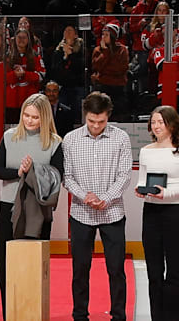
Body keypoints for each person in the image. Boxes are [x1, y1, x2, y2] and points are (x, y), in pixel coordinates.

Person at [0, 93, 65, 313]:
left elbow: (57, 176)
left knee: (33, 264)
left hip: (37, 211)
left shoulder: (54, 142)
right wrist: (20, 172)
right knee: (3, 260)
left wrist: (35, 172)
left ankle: (32, 311)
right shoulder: (9, 137)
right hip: (9, 207)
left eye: (35, 117)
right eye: (26, 115)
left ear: (44, 118)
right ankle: (9, 311)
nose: (29, 120)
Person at [63, 91, 132, 321]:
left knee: (116, 269)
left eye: (101, 121)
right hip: (81, 213)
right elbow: (67, 176)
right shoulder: (71, 139)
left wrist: (106, 197)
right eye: (91, 121)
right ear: (85, 116)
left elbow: (124, 175)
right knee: (80, 269)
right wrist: (85, 196)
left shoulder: (121, 138)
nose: (95, 126)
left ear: (108, 116)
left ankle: (119, 315)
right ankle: (80, 314)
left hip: (112, 212)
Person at [138, 106, 179, 321]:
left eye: (160, 122)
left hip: (174, 212)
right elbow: (141, 180)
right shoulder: (146, 150)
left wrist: (169, 193)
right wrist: (142, 190)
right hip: (151, 212)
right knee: (154, 272)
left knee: (174, 271)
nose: (156, 126)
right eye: (153, 122)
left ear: (172, 125)